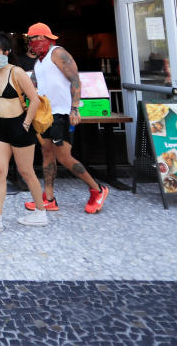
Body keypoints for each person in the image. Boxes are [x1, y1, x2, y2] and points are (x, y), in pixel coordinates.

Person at [23, 23, 109, 214]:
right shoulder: (39, 62)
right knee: (47, 153)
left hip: (61, 114)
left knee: (64, 156)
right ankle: (49, 199)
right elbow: (33, 85)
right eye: (31, 39)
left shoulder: (58, 53)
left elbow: (75, 80)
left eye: (38, 38)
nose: (34, 42)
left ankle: (97, 189)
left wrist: (75, 109)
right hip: (45, 115)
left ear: (48, 38)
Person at [0, 32, 49, 234]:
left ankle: (40, 211)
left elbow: (34, 99)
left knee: (26, 171)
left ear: (7, 52)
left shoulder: (17, 72)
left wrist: (26, 124)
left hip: (20, 125)